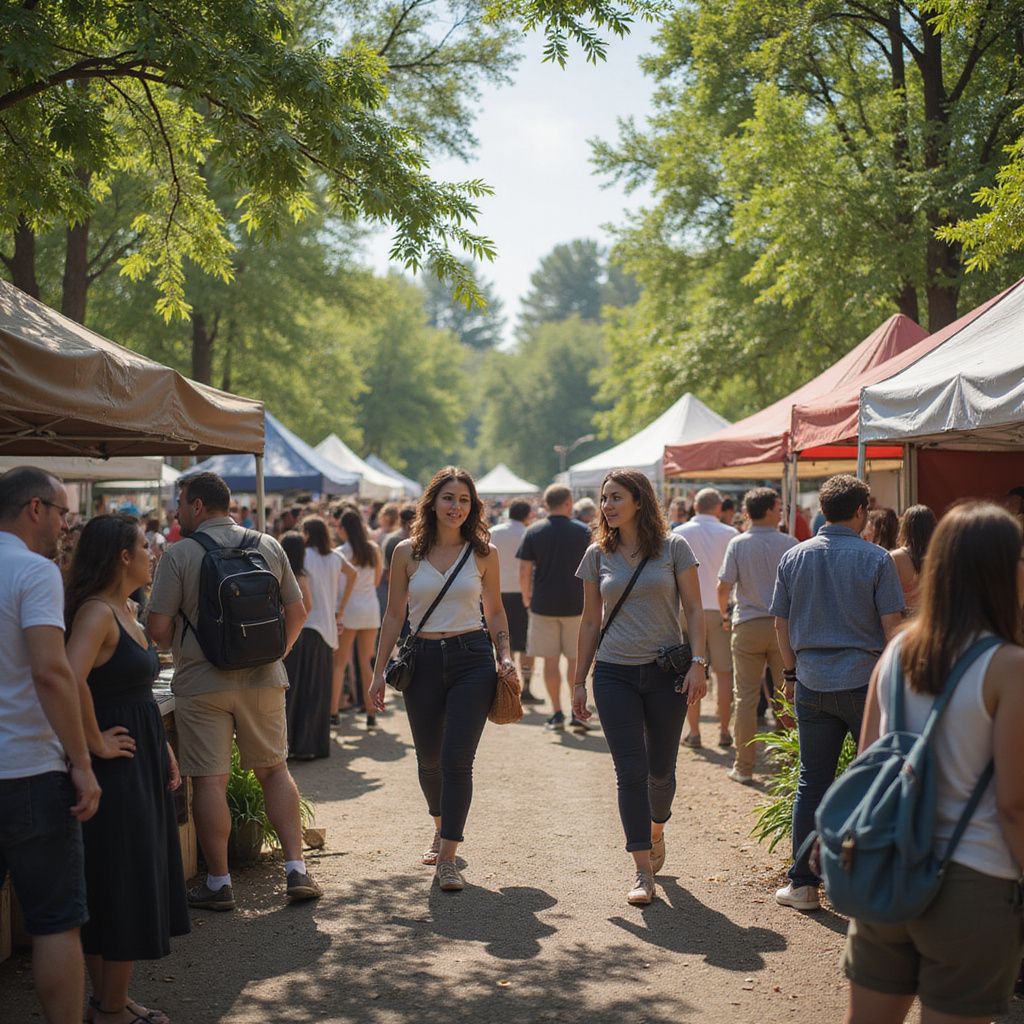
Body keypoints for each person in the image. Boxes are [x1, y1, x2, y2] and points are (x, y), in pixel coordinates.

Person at [843, 502, 1024, 1024]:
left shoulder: (898, 652)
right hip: (973, 881)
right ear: (1003, 570)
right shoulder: (1009, 667)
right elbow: (1014, 804)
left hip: (887, 869)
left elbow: (866, 767)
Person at [147, 472, 321, 909]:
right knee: (275, 771)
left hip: (202, 682)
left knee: (209, 780)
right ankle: (296, 870)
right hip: (264, 677)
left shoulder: (179, 554)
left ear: (199, 506)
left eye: (181, 502)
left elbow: (157, 627)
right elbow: (298, 611)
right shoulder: (268, 544)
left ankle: (219, 883)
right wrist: (273, 653)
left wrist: (185, 647)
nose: (176, 511)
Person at [64, 515, 190, 1024]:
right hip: (113, 767)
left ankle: (108, 1001)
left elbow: (137, 694)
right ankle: (111, 1008)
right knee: (122, 880)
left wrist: (164, 748)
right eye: (144, 546)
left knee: (123, 877)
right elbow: (66, 678)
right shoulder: (97, 613)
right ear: (122, 556)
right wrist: (94, 742)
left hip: (139, 756)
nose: (152, 552)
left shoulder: (128, 609)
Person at [368, 466, 516, 893]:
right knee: (428, 760)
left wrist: (504, 655)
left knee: (457, 760)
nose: (456, 507)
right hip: (423, 660)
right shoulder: (405, 553)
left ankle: (448, 858)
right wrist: (378, 673)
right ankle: (439, 824)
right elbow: (394, 614)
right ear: (432, 502)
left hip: (472, 659)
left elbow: (497, 610)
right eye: (449, 498)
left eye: (464, 500)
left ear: (473, 507)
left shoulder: (484, 553)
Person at [572, 469, 709, 905]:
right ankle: (641, 871)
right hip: (614, 673)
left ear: (639, 501)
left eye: (616, 498)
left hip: (666, 673)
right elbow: (590, 619)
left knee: (661, 771)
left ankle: (656, 829)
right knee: (629, 771)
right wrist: (579, 679)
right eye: (604, 498)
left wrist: (700, 664)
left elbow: (694, 609)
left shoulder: (674, 549)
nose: (607, 506)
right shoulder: (597, 554)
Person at [770, 474, 905, 912]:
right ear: (862, 511)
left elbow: (781, 623)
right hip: (864, 680)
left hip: (810, 680)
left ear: (822, 510)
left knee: (812, 781)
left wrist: (790, 675)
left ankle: (804, 884)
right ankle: (865, 878)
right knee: (874, 779)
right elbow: (892, 629)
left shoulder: (794, 556)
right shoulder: (877, 559)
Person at [0, 467, 102, 1024]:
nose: (67, 525)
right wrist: (82, 762)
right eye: (63, 512)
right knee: (55, 920)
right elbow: (53, 673)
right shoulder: (34, 572)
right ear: (34, 509)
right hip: (30, 771)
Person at [717, 487, 797, 784]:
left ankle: (744, 766)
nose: (781, 511)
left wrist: (726, 615)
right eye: (778, 506)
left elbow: (723, 585)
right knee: (788, 696)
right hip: (783, 628)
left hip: (748, 624)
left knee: (746, 698)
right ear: (769, 510)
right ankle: (791, 763)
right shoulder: (790, 543)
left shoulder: (738, 544)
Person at [517, 484, 592, 732]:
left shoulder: (534, 531)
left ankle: (557, 713)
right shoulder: (583, 531)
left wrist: (527, 598)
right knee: (574, 662)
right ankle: (577, 713)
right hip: (578, 604)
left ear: (546, 504)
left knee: (550, 661)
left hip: (543, 604)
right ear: (569, 503)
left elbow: (525, 570)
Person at [673, 487, 737, 748]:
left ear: (694, 507)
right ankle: (723, 731)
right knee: (724, 673)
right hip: (720, 608)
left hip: (687, 609)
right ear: (719, 508)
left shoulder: (679, 533)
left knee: (691, 670)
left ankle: (695, 732)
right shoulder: (731, 533)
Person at [280, 531, 328, 759]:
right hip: (300, 635)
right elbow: (306, 606)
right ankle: (300, 744)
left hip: (287, 636)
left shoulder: (280, 573)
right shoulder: (300, 575)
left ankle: (287, 744)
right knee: (302, 691)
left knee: (289, 692)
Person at [490, 500, 541, 704]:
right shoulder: (530, 532)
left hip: (497, 591)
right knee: (526, 644)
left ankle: (503, 685)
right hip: (524, 592)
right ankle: (525, 687)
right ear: (527, 514)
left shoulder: (494, 531)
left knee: (502, 642)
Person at [333, 509, 381, 728]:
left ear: (344, 528)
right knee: (366, 662)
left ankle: (333, 712)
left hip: (348, 608)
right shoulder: (373, 549)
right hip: (370, 608)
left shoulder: (341, 552)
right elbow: (377, 580)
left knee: (340, 662)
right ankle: (371, 711)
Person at [889, 504, 937, 614]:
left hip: (906, 621)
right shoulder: (940, 555)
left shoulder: (896, 558)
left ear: (905, 527)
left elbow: (889, 598)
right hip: (933, 617)